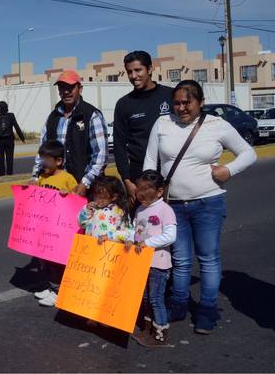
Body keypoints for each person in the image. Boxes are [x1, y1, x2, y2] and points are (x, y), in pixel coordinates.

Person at [143, 80, 256, 334]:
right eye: (177, 102)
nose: (182, 108)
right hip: (172, 206)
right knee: (180, 259)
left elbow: (248, 153)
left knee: (208, 258)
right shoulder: (163, 123)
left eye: (188, 102)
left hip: (208, 203)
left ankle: (206, 309)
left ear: (200, 103)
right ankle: (179, 304)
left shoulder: (217, 125)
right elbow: (151, 159)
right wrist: (149, 191)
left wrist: (229, 170)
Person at [32, 70, 108, 196]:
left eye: (70, 87)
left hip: (84, 189)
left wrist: (84, 183)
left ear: (80, 89)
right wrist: (35, 177)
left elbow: (100, 156)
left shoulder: (91, 115)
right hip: (55, 191)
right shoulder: (53, 117)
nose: (66, 91)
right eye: (62, 88)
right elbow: (42, 152)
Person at [113, 51, 173, 202]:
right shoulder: (123, 104)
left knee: (169, 223)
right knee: (142, 224)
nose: (133, 76)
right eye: (129, 72)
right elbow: (119, 145)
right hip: (138, 176)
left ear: (150, 69)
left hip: (170, 171)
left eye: (138, 70)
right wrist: (127, 180)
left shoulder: (170, 96)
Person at [131, 170, 177, 348]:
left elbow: (170, 236)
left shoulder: (165, 210)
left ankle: (160, 334)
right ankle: (147, 327)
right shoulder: (140, 209)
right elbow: (137, 231)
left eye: (145, 189)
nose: (140, 193)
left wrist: (147, 243)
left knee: (156, 299)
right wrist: (129, 239)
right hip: (141, 262)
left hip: (158, 263)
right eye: (138, 188)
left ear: (159, 191)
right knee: (144, 297)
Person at [32, 140, 78, 307]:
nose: (42, 162)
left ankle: (59, 292)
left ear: (58, 161)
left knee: (58, 262)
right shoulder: (42, 177)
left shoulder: (67, 178)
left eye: (46, 159)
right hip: (45, 227)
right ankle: (50, 287)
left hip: (59, 229)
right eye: (41, 158)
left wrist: (69, 193)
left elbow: (77, 200)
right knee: (44, 260)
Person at [77, 176, 133, 245]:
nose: (98, 200)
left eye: (103, 198)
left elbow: (128, 233)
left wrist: (109, 236)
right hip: (89, 248)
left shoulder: (119, 211)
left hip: (108, 250)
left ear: (114, 197)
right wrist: (87, 210)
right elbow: (82, 224)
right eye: (96, 196)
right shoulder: (92, 208)